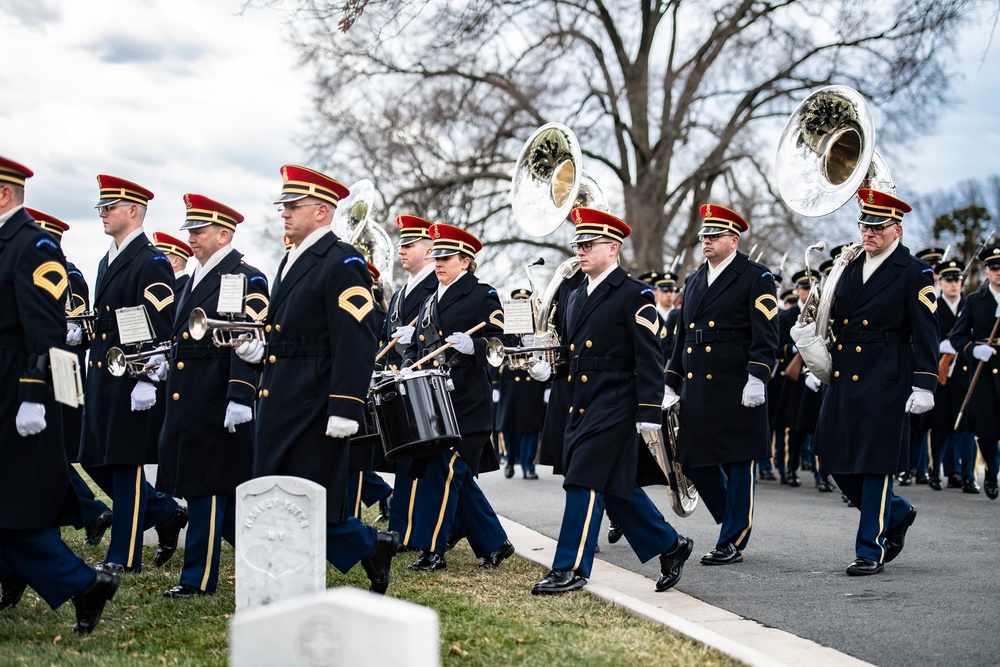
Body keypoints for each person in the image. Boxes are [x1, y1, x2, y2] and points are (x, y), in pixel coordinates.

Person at [235, 165, 397, 593]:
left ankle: (338, 557)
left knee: (306, 500)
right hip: (281, 397)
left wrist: (345, 405)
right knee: (277, 493)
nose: (284, 213)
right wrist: (258, 353)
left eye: (293, 206)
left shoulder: (342, 261)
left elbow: (355, 338)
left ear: (322, 211)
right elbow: (287, 333)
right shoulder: (291, 257)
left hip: (314, 403)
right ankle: (361, 548)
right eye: (283, 206)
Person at [529, 207, 693, 595]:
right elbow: (572, 354)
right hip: (581, 402)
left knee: (582, 481)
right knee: (617, 490)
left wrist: (650, 409)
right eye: (578, 244)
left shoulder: (634, 293)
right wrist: (549, 369)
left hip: (617, 402)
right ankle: (672, 545)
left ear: (613, 247)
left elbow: (649, 354)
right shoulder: (573, 296)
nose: (580, 251)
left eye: (588, 244)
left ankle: (569, 568)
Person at [0, 156, 118, 633]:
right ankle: (81, 584)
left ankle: (83, 583)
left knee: (13, 506)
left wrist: (32, 391)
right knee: (9, 509)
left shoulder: (32, 246)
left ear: (4, 194)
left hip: (14, 389)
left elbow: (47, 330)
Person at [797, 188, 938, 576]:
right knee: (836, 461)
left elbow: (926, 331)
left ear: (897, 230)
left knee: (874, 466)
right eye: (864, 224)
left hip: (886, 376)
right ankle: (898, 513)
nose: (868, 232)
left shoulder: (913, 272)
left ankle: (868, 548)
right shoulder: (848, 264)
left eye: (877, 226)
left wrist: (925, 383)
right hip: (844, 375)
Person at [156, 194, 268, 598]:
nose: (191, 239)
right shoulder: (191, 280)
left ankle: (197, 579)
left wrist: (240, 393)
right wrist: (164, 362)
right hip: (189, 397)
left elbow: (246, 335)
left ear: (224, 234)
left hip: (216, 398)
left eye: (199, 232)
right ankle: (270, 558)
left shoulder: (243, 277)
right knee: (213, 492)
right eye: (190, 231)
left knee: (206, 490)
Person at [79, 174, 188, 574]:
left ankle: (123, 556)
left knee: (125, 465)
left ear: (133, 211)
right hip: (103, 372)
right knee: (92, 457)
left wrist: (145, 376)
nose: (104, 214)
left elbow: (157, 321)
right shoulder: (106, 258)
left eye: (110, 207)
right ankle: (164, 511)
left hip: (130, 376)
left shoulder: (152, 260)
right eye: (102, 208)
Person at [665, 204, 778, 566]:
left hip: (736, 384)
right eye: (704, 236)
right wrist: (672, 379)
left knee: (738, 462)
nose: (707, 241)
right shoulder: (695, 279)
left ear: (734, 239)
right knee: (692, 461)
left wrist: (758, 375)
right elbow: (684, 335)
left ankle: (732, 538)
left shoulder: (755, 277)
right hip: (699, 387)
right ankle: (731, 519)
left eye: (714, 236)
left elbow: (766, 334)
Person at [399, 223, 515, 572]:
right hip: (434, 402)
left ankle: (431, 549)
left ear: (465, 261)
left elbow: (503, 342)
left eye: (446, 257)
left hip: (467, 402)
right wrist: (406, 363)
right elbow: (420, 347)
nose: (438, 263)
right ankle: (495, 544)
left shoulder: (483, 294)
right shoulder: (430, 298)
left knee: (443, 470)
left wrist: (475, 346)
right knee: (457, 478)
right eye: (436, 256)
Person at [28, 208, 113, 544]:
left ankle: (91, 512)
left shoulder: (69, 274)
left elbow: (79, 328)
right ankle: (89, 512)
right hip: (40, 369)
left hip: (63, 373)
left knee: (52, 451)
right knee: (45, 451)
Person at [376, 214, 439, 548]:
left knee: (420, 463)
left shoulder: (436, 287)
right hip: (398, 380)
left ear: (429, 251)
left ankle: (409, 532)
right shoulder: (401, 293)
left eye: (409, 245)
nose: (402, 251)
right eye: (401, 244)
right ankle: (402, 529)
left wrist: (418, 334)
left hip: (422, 383)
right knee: (406, 460)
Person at [950, 244, 1000, 499]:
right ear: (986, 271)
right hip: (985, 370)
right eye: (993, 267)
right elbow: (958, 336)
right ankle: (992, 469)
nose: (998, 271)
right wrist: (973, 349)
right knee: (988, 429)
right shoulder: (974, 301)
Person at [928, 259, 977, 492]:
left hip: (964, 374)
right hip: (941, 375)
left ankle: (968, 475)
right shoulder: (932, 306)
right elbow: (924, 336)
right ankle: (937, 471)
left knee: (967, 427)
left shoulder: (970, 305)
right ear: (942, 282)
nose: (954, 284)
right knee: (940, 427)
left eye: (957, 280)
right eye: (948, 280)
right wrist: (940, 347)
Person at [496, 288, 547, 480]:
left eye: (524, 303)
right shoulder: (505, 324)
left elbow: (546, 353)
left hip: (531, 383)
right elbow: (497, 352)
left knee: (530, 428)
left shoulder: (538, 326)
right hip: (509, 383)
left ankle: (528, 465)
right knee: (508, 427)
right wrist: (494, 385)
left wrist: (548, 386)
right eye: (517, 303)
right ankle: (509, 462)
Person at [153, 231, 193, 295]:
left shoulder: (189, 290)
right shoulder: (160, 286)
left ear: (176, 261)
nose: (154, 262)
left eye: (160, 257)